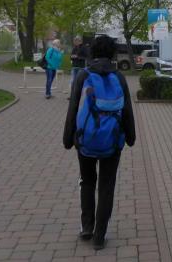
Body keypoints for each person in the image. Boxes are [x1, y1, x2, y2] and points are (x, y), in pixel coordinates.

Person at [63, 34, 136, 250]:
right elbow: (127, 110)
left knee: (87, 181)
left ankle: (87, 227)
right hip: (112, 140)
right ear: (112, 53)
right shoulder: (119, 77)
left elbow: (73, 108)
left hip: (86, 140)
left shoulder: (83, 75)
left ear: (92, 52)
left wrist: (68, 138)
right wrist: (130, 137)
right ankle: (99, 236)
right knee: (106, 186)